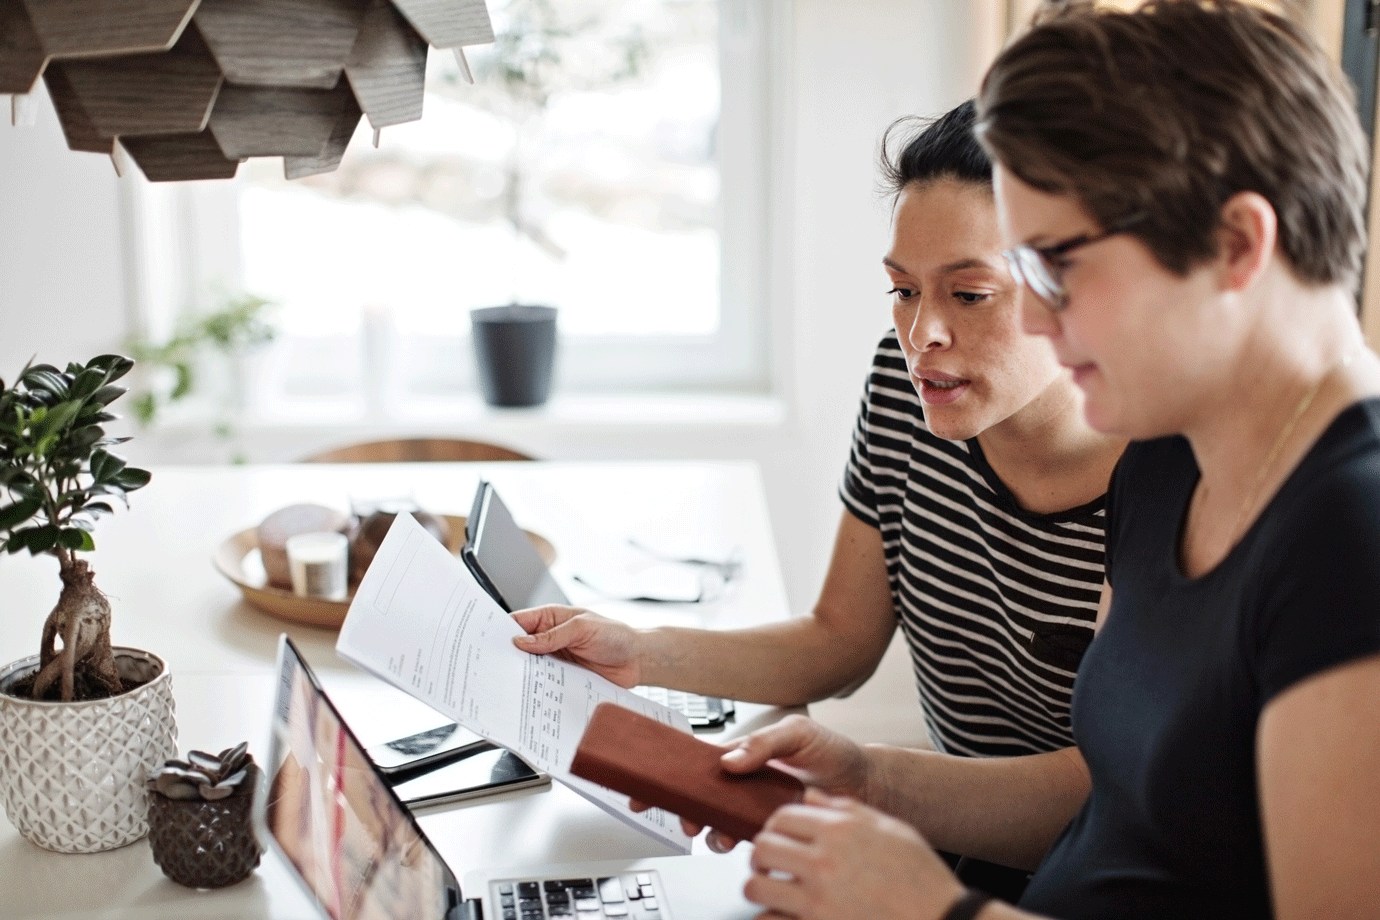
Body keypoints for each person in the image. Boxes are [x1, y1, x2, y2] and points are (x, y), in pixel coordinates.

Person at [667, 3, 1380, 919]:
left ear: (1237, 245)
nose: (1038, 322)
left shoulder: (1351, 535)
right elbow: (1107, 805)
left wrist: (939, 910)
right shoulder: (1168, 462)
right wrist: (867, 780)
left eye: (1062, 270)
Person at [515, 99, 1124, 899]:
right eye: (903, 291)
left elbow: (1109, 794)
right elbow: (840, 638)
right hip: (946, 847)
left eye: (969, 295)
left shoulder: (1162, 475)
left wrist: (868, 783)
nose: (921, 335)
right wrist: (641, 650)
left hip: (1077, 884)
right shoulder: (908, 390)